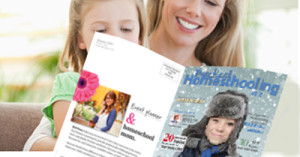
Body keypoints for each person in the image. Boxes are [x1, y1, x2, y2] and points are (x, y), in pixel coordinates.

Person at [23, 0, 147, 151]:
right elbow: (74, 145)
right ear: (81, 39)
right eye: (101, 30)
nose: (115, 38)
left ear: (139, 37)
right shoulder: (70, 83)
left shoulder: (144, 91)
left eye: (126, 29)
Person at [147, 0, 245, 67]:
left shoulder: (214, 88)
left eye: (210, 2)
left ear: (222, 14)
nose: (194, 10)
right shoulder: (132, 53)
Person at [178, 90, 248, 157]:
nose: (220, 128)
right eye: (215, 120)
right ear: (206, 123)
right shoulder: (183, 151)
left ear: (236, 129)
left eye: (229, 124)